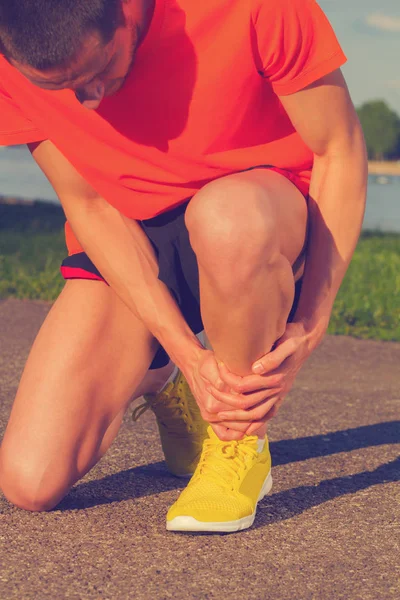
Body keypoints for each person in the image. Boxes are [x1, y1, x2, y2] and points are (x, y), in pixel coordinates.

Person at [0, 0, 367, 533]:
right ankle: (163, 379)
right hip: (132, 231)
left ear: (128, 11)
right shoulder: (12, 55)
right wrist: (186, 355)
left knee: (224, 219)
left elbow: (340, 148)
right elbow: (90, 205)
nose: (89, 99)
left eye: (99, 70)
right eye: (63, 87)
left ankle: (236, 445)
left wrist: (311, 321)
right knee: (29, 481)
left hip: (257, 213)